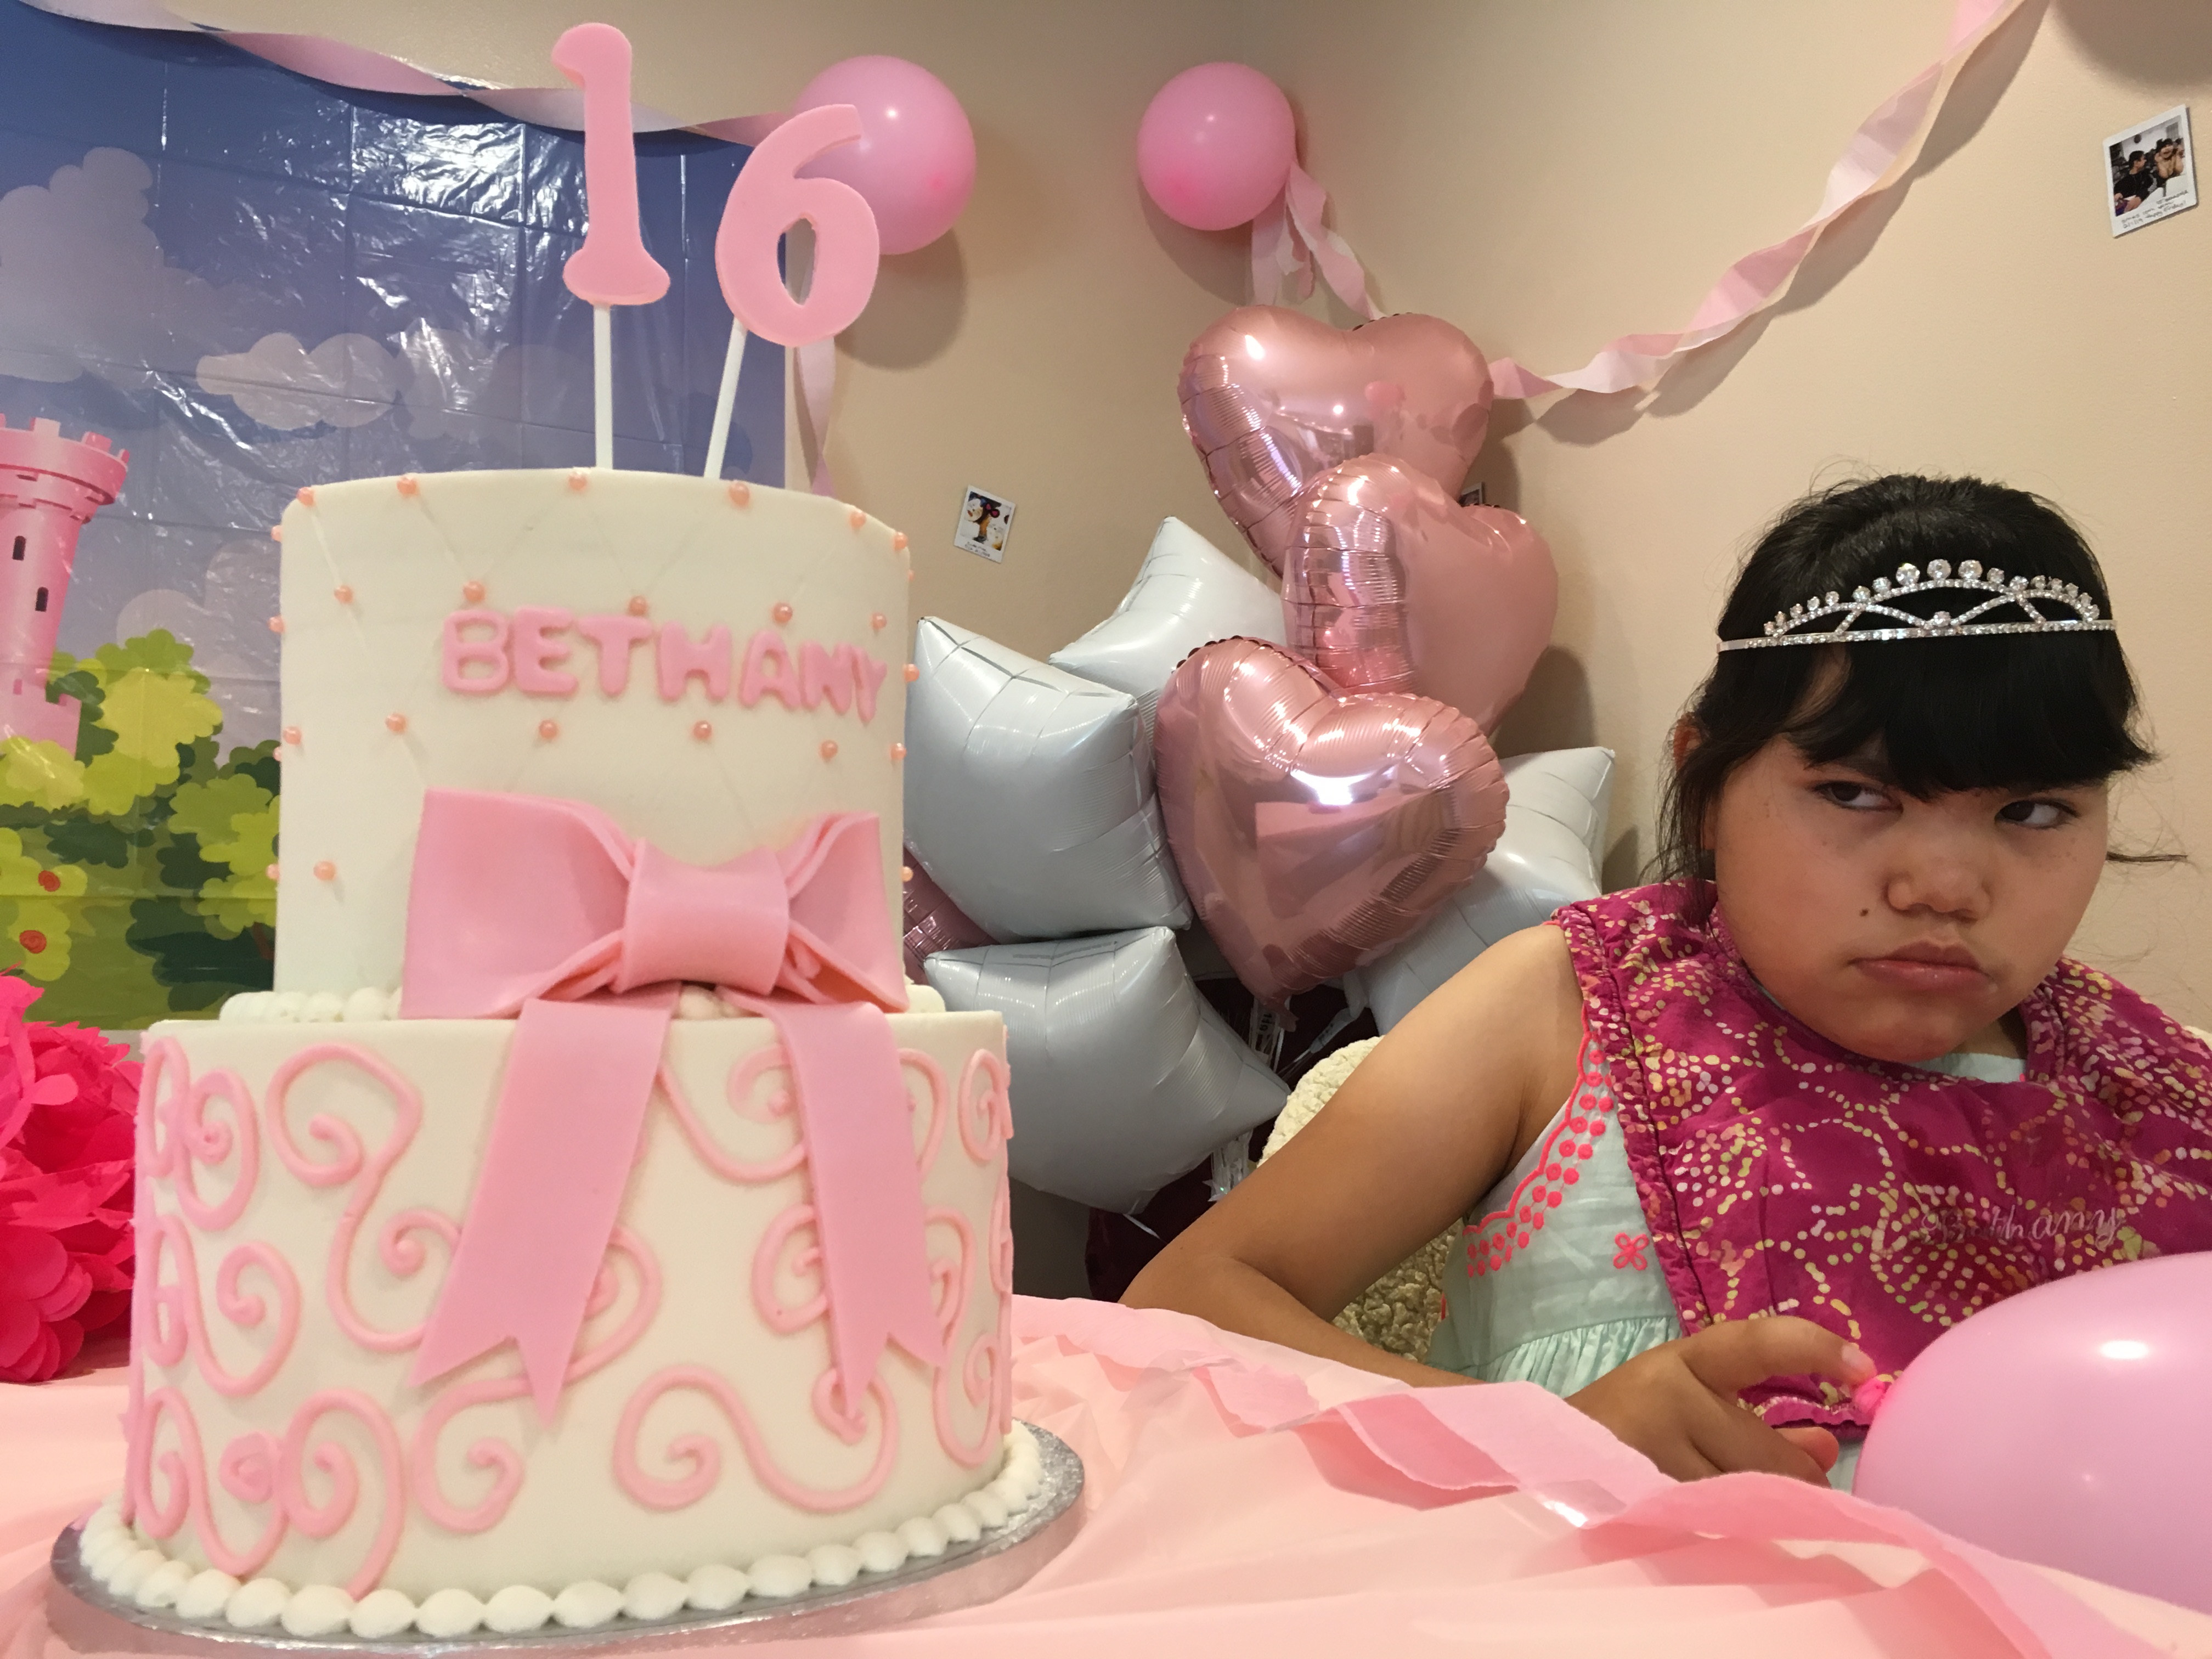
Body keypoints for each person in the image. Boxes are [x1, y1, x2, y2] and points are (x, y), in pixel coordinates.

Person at [1126, 475, 2212, 1490]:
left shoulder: (2166, 1093)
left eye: (2034, 811)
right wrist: (1546, 1438)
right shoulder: (1567, 1005)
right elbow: (1185, 1306)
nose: (1944, 887)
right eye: (1853, 793)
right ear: (1706, 781)